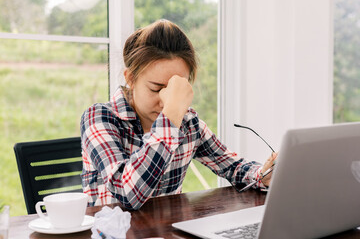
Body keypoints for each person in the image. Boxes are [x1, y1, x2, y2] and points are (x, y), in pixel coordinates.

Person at [80, 19, 277, 210]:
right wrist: (171, 115)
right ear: (130, 78)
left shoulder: (188, 123)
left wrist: (262, 175)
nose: (166, 100)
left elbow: (232, 167)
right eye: (156, 89)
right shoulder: (99, 118)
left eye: (174, 90)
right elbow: (127, 194)